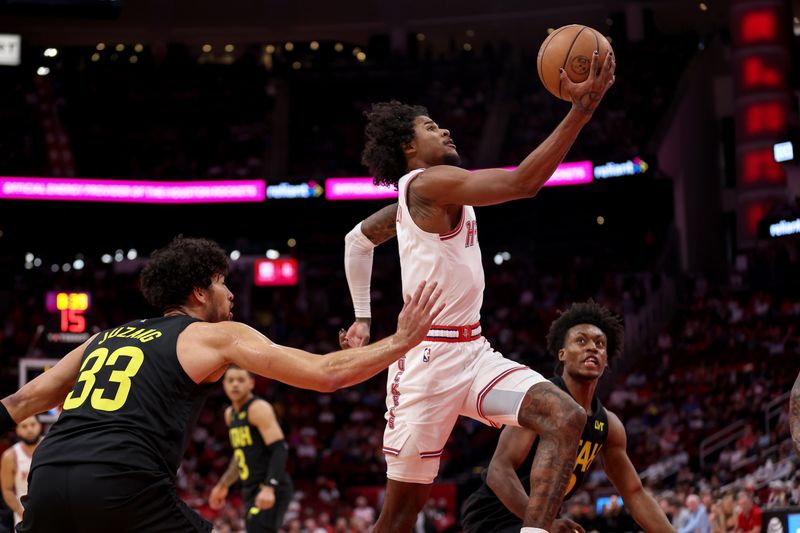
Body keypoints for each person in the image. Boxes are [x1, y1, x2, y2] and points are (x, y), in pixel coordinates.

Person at [340, 49, 616, 532]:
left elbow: (357, 241)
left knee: (566, 418)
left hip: (472, 349)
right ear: (408, 148)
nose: (443, 130)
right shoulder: (428, 183)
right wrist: (581, 110)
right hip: (425, 364)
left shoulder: (421, 198)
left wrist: (363, 317)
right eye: (429, 127)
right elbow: (523, 182)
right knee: (399, 519)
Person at [0, 236, 443, 533]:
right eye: (221, 282)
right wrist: (402, 340)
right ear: (198, 292)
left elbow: (22, 401)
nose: (229, 294)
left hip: (47, 480)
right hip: (122, 481)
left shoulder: (103, 337)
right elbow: (327, 374)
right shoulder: (213, 336)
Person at [460, 301, 675, 533]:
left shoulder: (609, 425)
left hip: (543, 521)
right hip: (493, 518)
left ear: (606, 361)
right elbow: (499, 471)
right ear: (561, 353)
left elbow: (634, 494)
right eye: (581, 341)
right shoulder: (541, 401)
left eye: (600, 344)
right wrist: (542, 523)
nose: (592, 348)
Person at [209, 366, 293, 533]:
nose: (235, 385)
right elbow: (240, 456)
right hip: (250, 488)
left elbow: (280, 448)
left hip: (269, 485)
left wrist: (270, 487)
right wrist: (223, 485)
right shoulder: (229, 414)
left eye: (240, 380)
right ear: (223, 384)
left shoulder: (258, 408)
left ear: (251, 383)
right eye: (230, 380)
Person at [0, 417, 42, 526]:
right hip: (23, 514)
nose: (29, 429)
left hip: (52, 509)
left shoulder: (52, 447)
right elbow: (7, 490)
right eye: (24, 426)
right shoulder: (10, 455)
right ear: (17, 430)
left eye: (33, 424)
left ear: (40, 426)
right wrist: (22, 513)